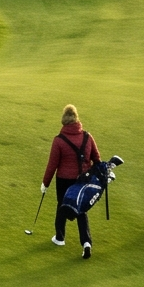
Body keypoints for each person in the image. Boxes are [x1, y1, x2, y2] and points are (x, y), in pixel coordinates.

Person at [42, 103, 103, 259]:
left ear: (64, 121)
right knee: (81, 210)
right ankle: (86, 243)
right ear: (76, 120)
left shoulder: (59, 140)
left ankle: (60, 237)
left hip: (64, 180)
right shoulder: (88, 137)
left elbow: (52, 165)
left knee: (62, 206)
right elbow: (96, 158)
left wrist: (45, 183)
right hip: (83, 179)